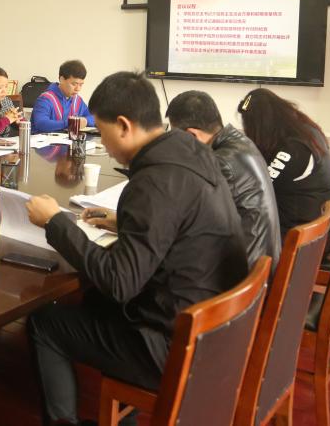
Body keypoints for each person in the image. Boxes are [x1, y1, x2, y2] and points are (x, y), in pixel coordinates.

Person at [24, 72, 247, 426]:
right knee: (93, 300)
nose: (103, 142)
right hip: (214, 326)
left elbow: (120, 282)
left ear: (124, 126)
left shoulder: (152, 181)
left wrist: (56, 223)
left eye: (102, 131)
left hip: (176, 346)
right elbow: (179, 220)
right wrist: (123, 221)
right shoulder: (190, 151)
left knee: (45, 322)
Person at [165, 90, 282, 272]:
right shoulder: (241, 142)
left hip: (247, 276)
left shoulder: (221, 163)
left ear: (192, 135)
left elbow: (187, 221)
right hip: (260, 264)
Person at [238, 88, 330, 251]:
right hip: (315, 230)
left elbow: (258, 189)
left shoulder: (293, 149)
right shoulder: (305, 131)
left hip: (305, 241)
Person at [31, 60, 94, 133]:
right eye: (74, 84)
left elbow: (95, 118)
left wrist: (86, 121)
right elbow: (41, 123)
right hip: (42, 139)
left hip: (68, 139)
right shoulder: (45, 99)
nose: (78, 89)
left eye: (81, 84)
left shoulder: (77, 100)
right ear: (62, 79)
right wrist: (70, 123)